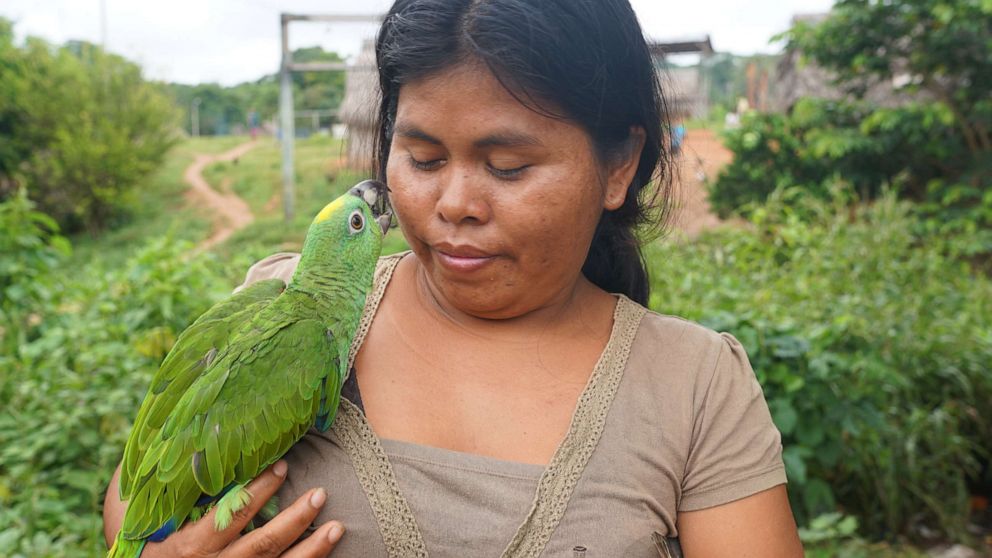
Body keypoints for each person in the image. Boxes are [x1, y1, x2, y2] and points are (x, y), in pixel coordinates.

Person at [103, 0, 804, 556]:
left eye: (508, 167)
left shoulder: (695, 386)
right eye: (423, 158)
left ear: (618, 166)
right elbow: (138, 505)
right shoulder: (277, 310)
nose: (454, 205)